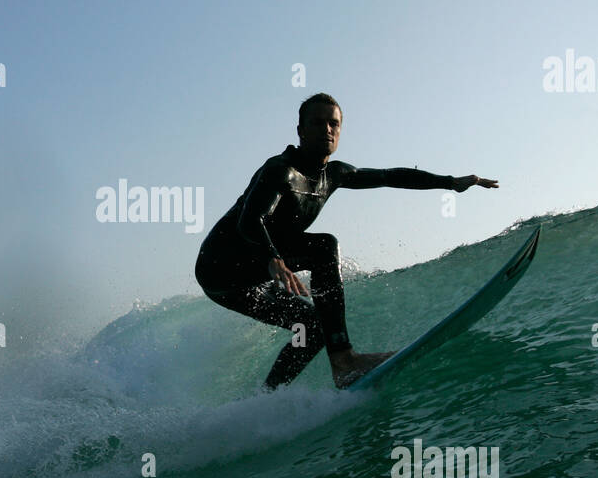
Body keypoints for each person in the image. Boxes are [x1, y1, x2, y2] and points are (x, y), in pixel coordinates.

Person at [194, 92, 498, 390]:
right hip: (220, 268)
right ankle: (344, 360)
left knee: (312, 328)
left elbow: (390, 176)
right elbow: (250, 220)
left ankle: (266, 398)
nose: (327, 129)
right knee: (324, 246)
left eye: (334, 124)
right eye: (317, 122)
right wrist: (273, 257)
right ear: (300, 130)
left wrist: (449, 183)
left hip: (251, 275)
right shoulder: (280, 171)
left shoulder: (334, 175)